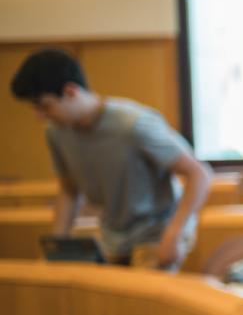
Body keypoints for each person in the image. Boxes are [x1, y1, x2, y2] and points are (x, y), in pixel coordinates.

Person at [10, 49, 211, 270]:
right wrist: (57, 247)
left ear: (70, 91)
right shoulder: (56, 133)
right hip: (113, 235)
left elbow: (199, 174)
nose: (41, 117)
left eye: (45, 107)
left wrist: (174, 234)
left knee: (138, 300)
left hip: (157, 230)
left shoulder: (133, 124)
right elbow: (69, 190)